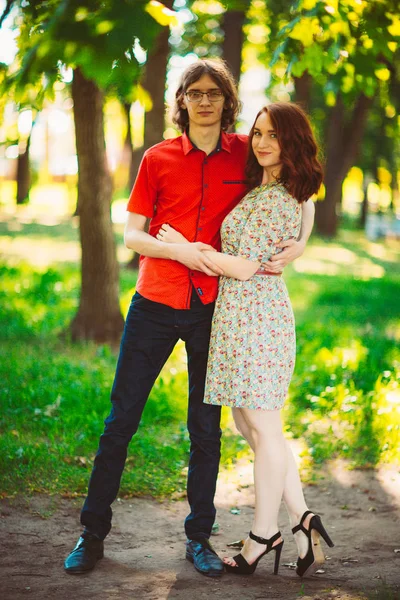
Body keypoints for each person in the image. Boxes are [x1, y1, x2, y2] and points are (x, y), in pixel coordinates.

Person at [64, 60, 315, 577]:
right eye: (194, 93)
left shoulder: (248, 152)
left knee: (206, 429)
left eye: (214, 93)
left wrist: (301, 244)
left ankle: (198, 537)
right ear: (182, 101)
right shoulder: (156, 158)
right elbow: (132, 236)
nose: (204, 101)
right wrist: (180, 252)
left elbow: (301, 181)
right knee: (120, 421)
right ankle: (92, 534)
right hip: (155, 301)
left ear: (227, 101)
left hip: (213, 310)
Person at [157, 102, 334, 578]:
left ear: (292, 141)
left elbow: (244, 266)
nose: (261, 142)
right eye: (257, 133)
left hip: (258, 318)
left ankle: (262, 536)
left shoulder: (278, 198)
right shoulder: (271, 188)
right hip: (239, 318)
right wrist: (302, 241)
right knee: (248, 424)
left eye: (273, 135)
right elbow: (308, 205)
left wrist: (183, 250)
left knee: (264, 427)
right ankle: (303, 522)